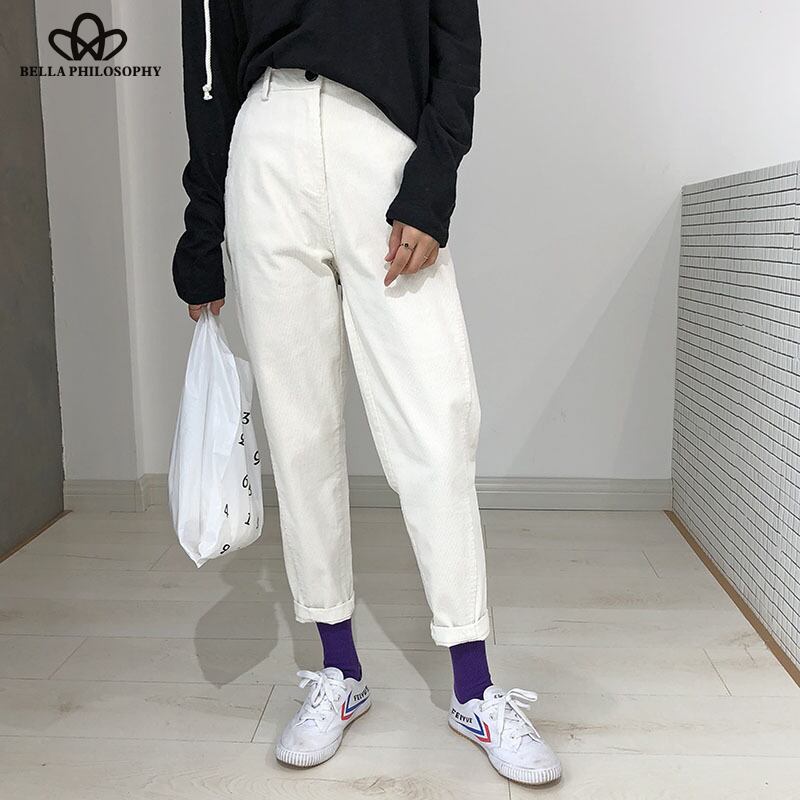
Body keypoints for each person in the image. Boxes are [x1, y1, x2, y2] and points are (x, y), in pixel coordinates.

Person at [173, 0, 561, 786]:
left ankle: (474, 687)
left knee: (436, 421)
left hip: (379, 141)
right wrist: (202, 227)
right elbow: (208, 61)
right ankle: (339, 671)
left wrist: (431, 184)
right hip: (265, 143)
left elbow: (456, 40)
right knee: (299, 429)